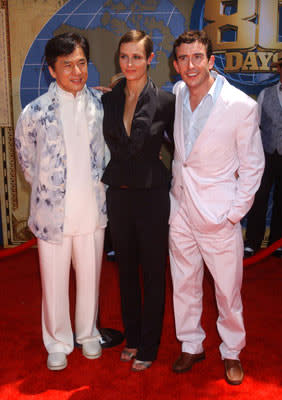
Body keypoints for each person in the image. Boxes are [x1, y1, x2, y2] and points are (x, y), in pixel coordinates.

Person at [169, 30, 264, 385]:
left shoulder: (241, 106)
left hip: (219, 216)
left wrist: (233, 214)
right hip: (180, 209)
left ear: (211, 61)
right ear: (176, 63)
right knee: (184, 283)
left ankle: (232, 351)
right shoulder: (177, 93)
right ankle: (192, 344)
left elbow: (253, 165)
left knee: (227, 290)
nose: (190, 65)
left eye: (197, 57)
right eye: (183, 58)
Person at [15, 32, 109, 371]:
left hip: (92, 211)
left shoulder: (98, 105)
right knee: (53, 283)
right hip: (52, 215)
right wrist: (47, 190)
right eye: (67, 65)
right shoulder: (35, 112)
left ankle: (88, 333)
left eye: (82, 63)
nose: (77, 71)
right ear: (52, 70)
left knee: (91, 278)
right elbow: (26, 159)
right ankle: (56, 340)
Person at [101, 30, 175, 371]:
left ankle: (149, 344)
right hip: (119, 196)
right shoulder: (109, 100)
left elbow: (181, 149)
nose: (130, 63)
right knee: (126, 271)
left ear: (150, 59)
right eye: (124, 56)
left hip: (152, 197)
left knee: (153, 274)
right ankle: (131, 338)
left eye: (137, 57)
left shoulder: (165, 102)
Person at [244, 52, 282, 259]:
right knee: (259, 200)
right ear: (279, 69)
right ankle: (251, 244)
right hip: (265, 155)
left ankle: (277, 244)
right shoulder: (265, 94)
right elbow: (254, 127)